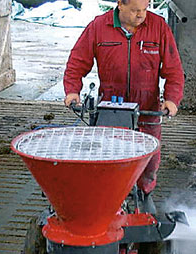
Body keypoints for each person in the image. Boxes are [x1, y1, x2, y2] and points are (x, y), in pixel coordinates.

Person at [63, 0, 184, 214]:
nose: (141, 15)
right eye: (136, 10)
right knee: (109, 153)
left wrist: (172, 99)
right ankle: (110, 196)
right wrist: (73, 91)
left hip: (147, 105)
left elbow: (174, 70)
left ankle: (145, 193)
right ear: (120, 4)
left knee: (149, 156)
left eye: (145, 9)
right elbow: (77, 62)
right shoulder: (99, 27)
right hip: (110, 105)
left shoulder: (159, 27)